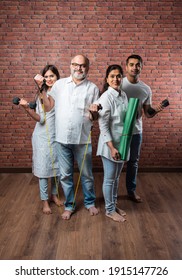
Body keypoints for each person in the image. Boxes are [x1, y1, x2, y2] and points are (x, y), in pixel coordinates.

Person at [39, 54, 100, 220]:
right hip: (61, 139)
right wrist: (41, 89)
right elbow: (49, 107)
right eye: (75, 64)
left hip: (82, 139)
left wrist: (94, 113)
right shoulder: (59, 85)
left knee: (86, 174)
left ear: (87, 68)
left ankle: (89, 203)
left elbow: (95, 118)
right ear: (70, 65)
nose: (78, 68)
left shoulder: (93, 88)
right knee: (65, 175)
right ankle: (70, 205)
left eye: (82, 65)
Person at [19, 65, 63, 214]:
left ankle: (54, 196)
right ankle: (45, 201)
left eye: (52, 76)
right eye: (46, 77)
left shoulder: (61, 93)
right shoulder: (40, 94)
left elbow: (50, 107)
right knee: (44, 170)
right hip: (42, 137)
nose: (49, 79)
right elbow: (40, 118)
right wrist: (27, 109)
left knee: (57, 168)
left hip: (58, 135)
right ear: (43, 79)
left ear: (57, 77)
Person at [122, 54, 163, 202]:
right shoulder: (119, 83)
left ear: (141, 67)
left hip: (136, 131)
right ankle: (112, 193)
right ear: (126, 67)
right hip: (119, 131)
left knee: (133, 162)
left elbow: (147, 113)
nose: (134, 67)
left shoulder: (146, 89)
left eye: (137, 64)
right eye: (131, 64)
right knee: (118, 161)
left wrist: (155, 110)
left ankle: (131, 191)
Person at [91, 65, 128, 222]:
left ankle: (113, 204)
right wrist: (112, 148)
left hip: (122, 142)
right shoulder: (105, 97)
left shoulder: (124, 94)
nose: (116, 79)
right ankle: (109, 210)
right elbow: (103, 126)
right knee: (109, 178)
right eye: (112, 76)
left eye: (118, 76)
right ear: (107, 79)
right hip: (110, 145)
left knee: (117, 177)